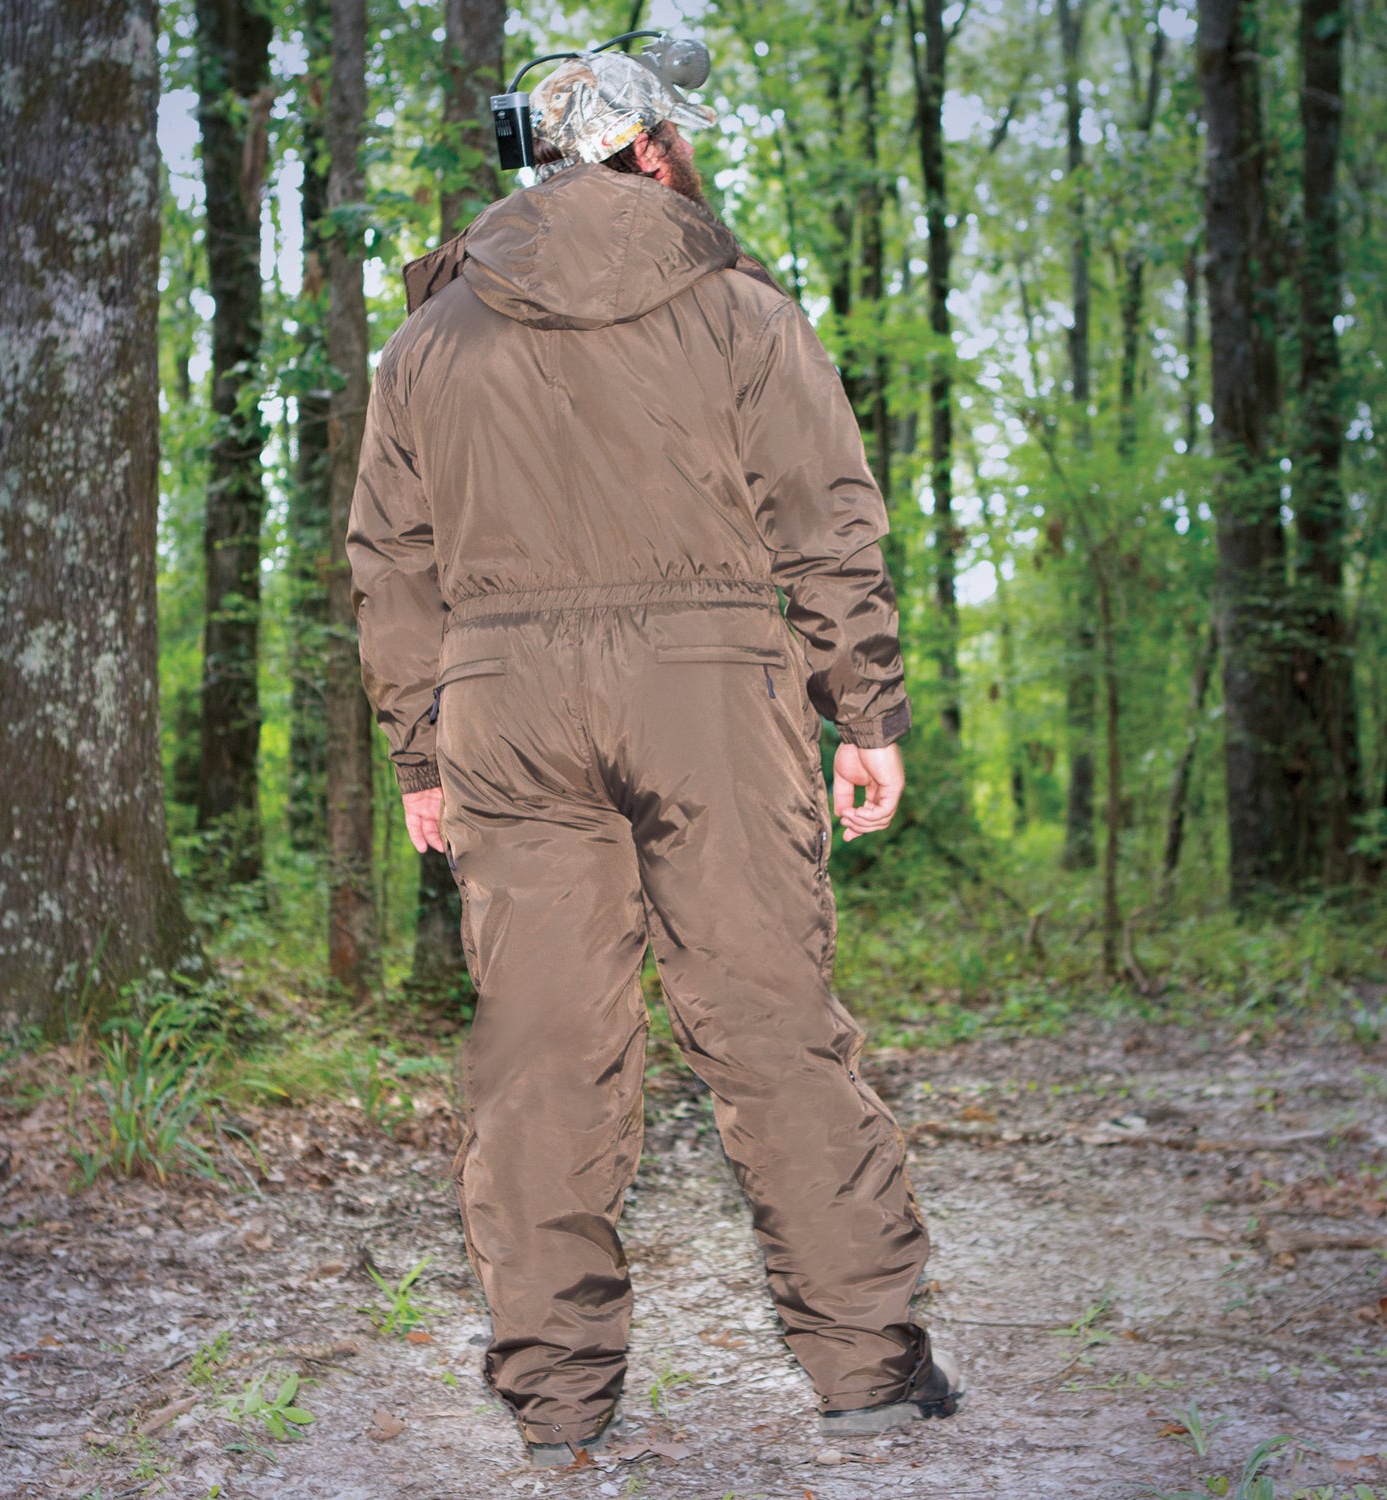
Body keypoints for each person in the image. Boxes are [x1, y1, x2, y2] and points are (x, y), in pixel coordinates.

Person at [347, 44, 962, 1469]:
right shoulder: (738, 307)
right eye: (677, 137)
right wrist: (864, 712)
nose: (689, 156)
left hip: (505, 704)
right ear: (646, 152)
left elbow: (391, 563)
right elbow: (826, 519)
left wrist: (422, 752)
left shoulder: (430, 339)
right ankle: (866, 1366)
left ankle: (559, 1402)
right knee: (769, 1022)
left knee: (541, 1049)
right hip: (708, 691)